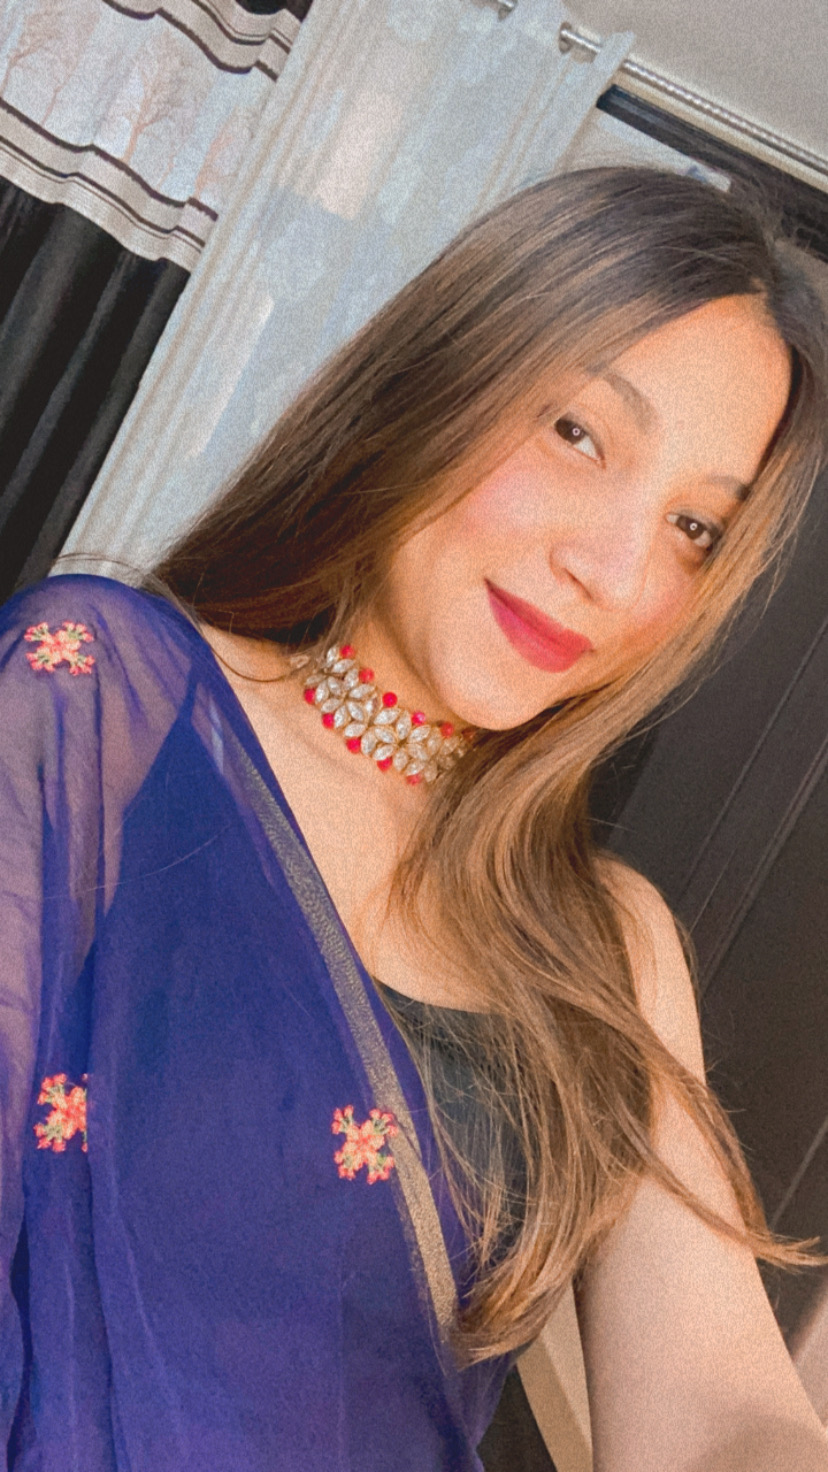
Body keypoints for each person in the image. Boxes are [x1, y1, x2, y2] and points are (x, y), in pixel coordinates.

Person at [1, 166, 827, 1472]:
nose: (612, 571)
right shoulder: (102, 700)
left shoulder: (610, 944)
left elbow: (719, 1412)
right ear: (447, 373)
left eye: (691, 528)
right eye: (579, 434)